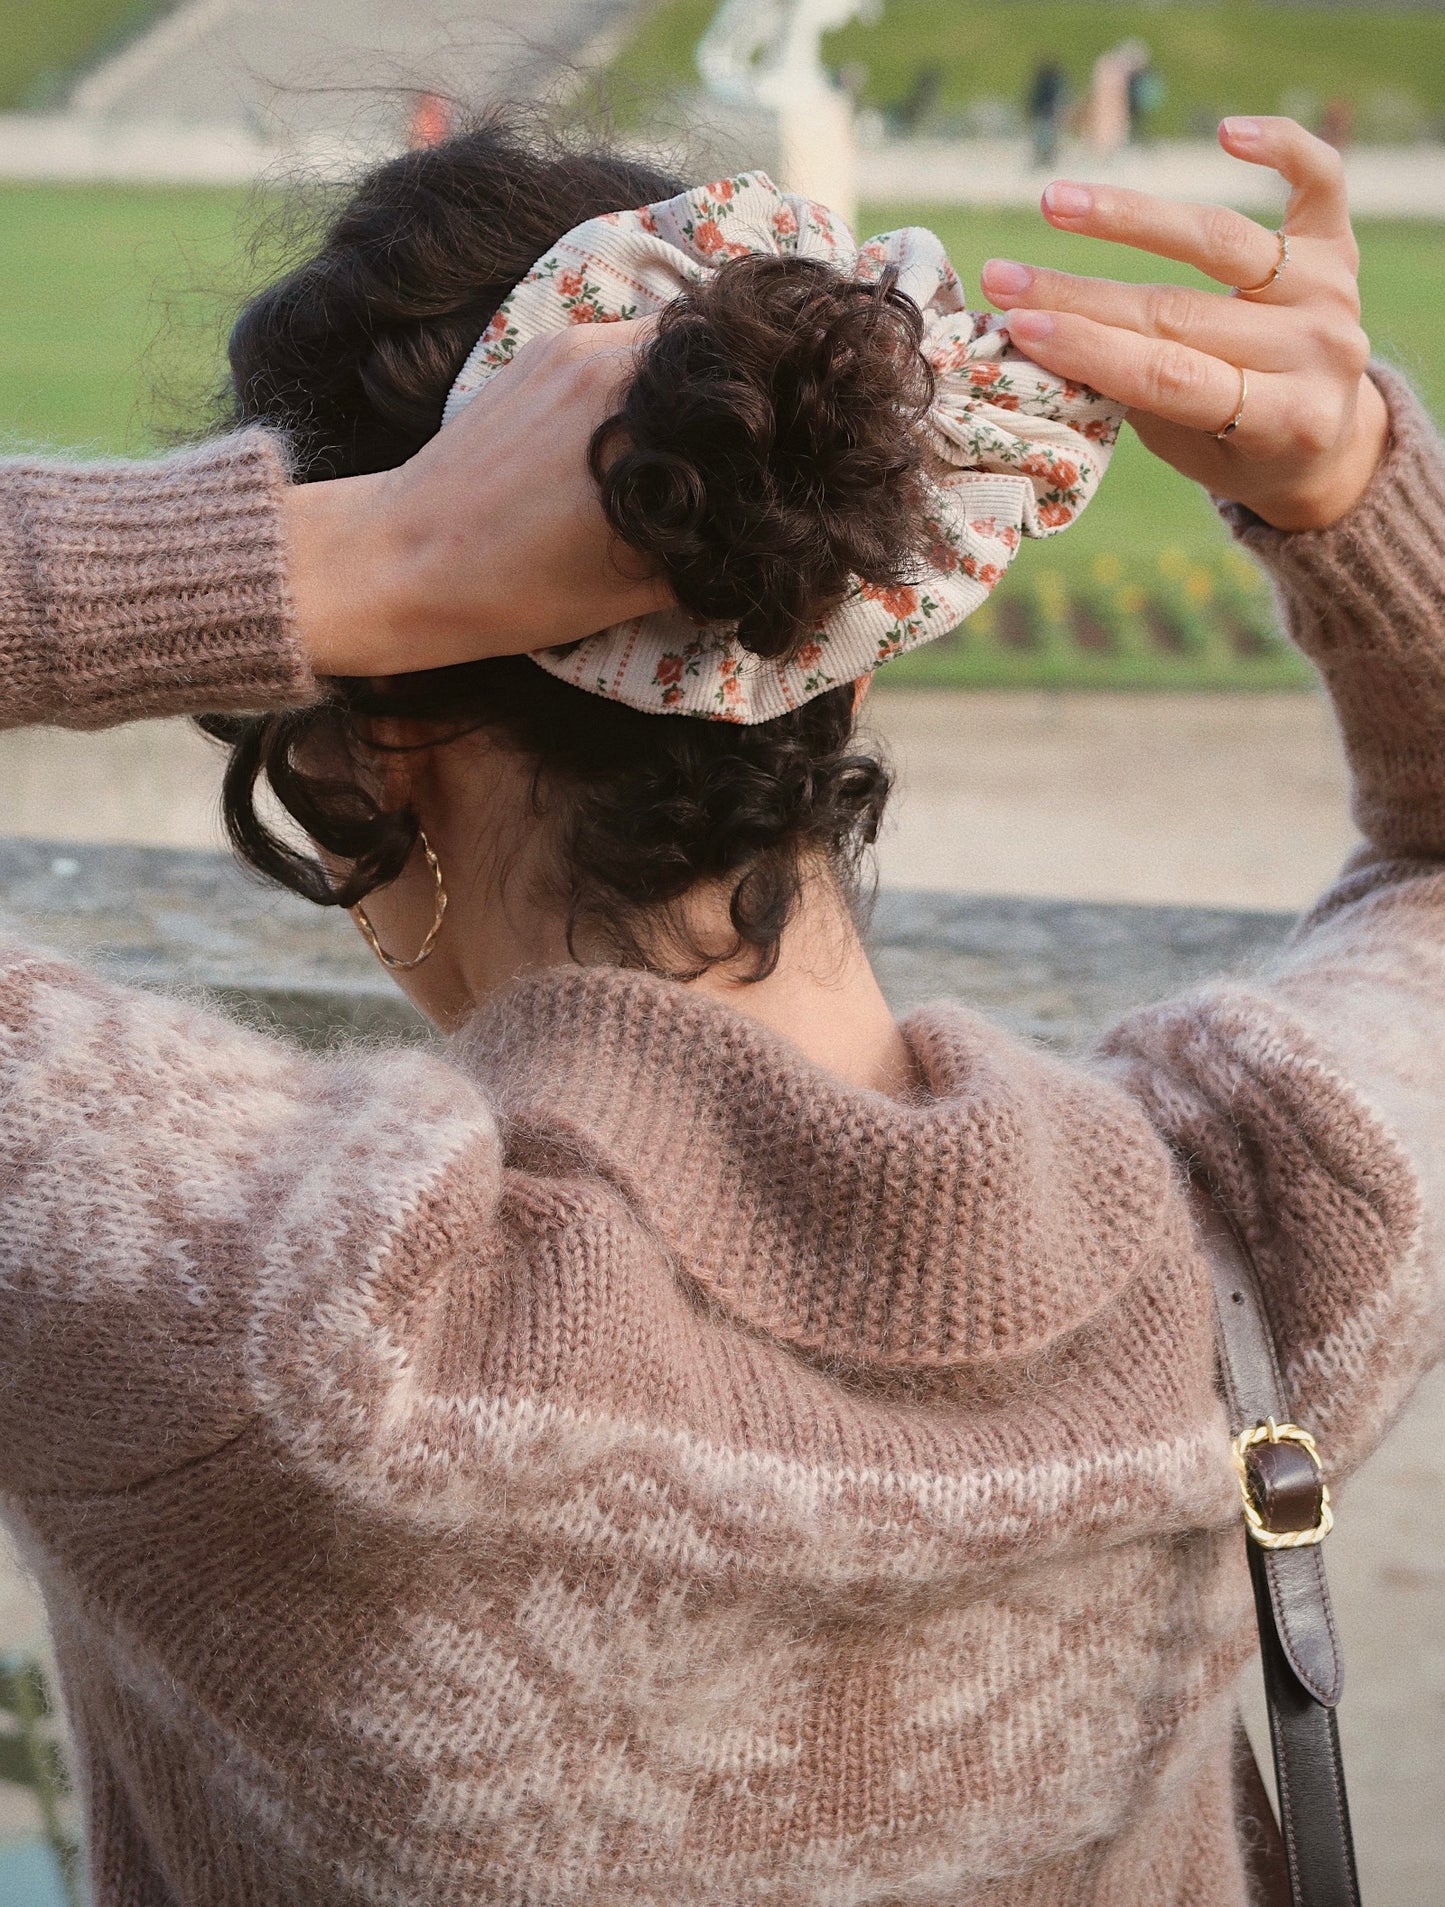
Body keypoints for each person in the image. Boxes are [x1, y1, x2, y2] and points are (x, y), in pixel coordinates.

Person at [0, 111, 1433, 1907]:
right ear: (830, 626)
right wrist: (1355, 485)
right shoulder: (1241, 1233)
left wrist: (354, 564)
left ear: (366, 754)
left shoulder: (253, 1299)